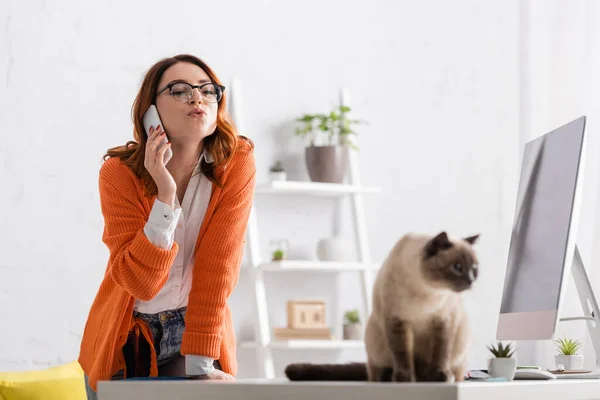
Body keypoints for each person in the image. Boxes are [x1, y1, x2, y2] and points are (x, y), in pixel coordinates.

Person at [78, 54, 256, 399]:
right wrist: (165, 195)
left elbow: (218, 266)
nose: (197, 98)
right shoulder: (119, 173)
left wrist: (202, 364)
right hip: (127, 332)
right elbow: (141, 284)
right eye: (179, 90)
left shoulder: (237, 163)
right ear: (150, 111)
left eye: (208, 90)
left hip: (196, 327)